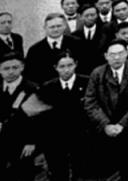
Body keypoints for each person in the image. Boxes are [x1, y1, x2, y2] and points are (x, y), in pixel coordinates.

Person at [83, 39, 128, 180]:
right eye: (112, 54)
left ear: (126, 53)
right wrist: (106, 125)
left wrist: (123, 124)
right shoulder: (97, 73)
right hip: (106, 130)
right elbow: (90, 102)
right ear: (106, 56)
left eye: (120, 53)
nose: (116, 58)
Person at [38, 50, 91, 181]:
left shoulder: (87, 83)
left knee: (81, 172)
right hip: (56, 138)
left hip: (81, 136)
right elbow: (43, 116)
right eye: (62, 66)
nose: (66, 70)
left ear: (76, 64)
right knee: (58, 173)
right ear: (55, 68)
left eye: (70, 65)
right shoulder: (48, 87)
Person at [0, 53, 39, 180]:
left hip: (23, 143)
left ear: (22, 67)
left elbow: (39, 119)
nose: (11, 72)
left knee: (23, 174)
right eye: (6, 68)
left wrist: (32, 141)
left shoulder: (32, 88)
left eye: (15, 67)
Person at [25, 13, 83, 86]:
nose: (56, 29)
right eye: (52, 27)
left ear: (64, 26)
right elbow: (31, 75)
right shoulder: (35, 50)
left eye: (59, 26)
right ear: (45, 28)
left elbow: (83, 67)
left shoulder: (77, 44)